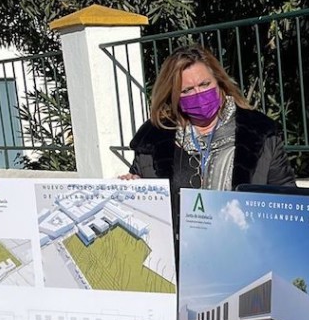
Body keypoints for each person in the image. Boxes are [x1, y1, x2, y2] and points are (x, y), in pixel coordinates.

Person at [121, 45, 297, 261]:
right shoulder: (153, 139)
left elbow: (288, 200)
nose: (198, 94)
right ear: (173, 95)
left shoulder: (260, 133)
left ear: (219, 83)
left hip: (246, 259)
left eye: (204, 84)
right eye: (186, 90)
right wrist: (130, 187)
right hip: (177, 264)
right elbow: (144, 199)